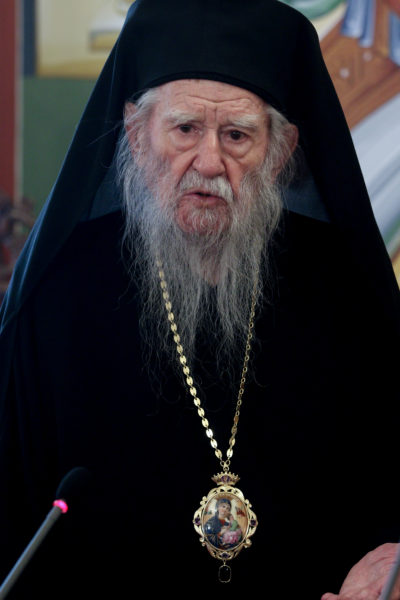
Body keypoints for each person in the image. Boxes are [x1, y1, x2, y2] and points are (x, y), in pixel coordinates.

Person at [0, 1, 399, 598]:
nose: (209, 162)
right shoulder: (59, 298)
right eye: (185, 129)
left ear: (280, 151)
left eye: (237, 135)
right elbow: (13, 516)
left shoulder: (344, 289)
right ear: (136, 135)